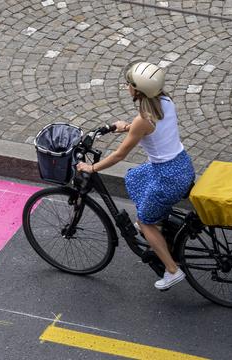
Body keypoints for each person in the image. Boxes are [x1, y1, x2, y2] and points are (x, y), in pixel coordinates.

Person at [76, 61, 195, 290]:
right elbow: (153, 128)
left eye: (129, 84)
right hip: (181, 165)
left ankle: (172, 269)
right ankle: (157, 222)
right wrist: (129, 126)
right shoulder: (166, 102)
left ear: (138, 90)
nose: (127, 87)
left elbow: (120, 155)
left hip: (167, 176)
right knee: (134, 177)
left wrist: (93, 168)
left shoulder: (143, 120)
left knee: (145, 221)